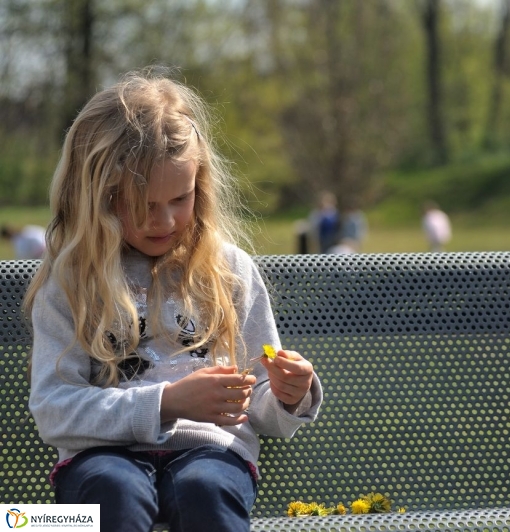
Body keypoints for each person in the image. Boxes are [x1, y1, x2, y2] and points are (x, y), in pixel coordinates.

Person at [25, 68, 323, 531]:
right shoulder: (72, 279)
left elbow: (256, 402)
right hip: (100, 459)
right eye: (142, 204)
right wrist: (166, 402)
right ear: (97, 196)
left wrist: (290, 395)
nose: (163, 221)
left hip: (211, 452)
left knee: (203, 490)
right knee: (116, 493)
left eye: (180, 199)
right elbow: (53, 409)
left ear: (200, 186)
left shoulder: (228, 269)